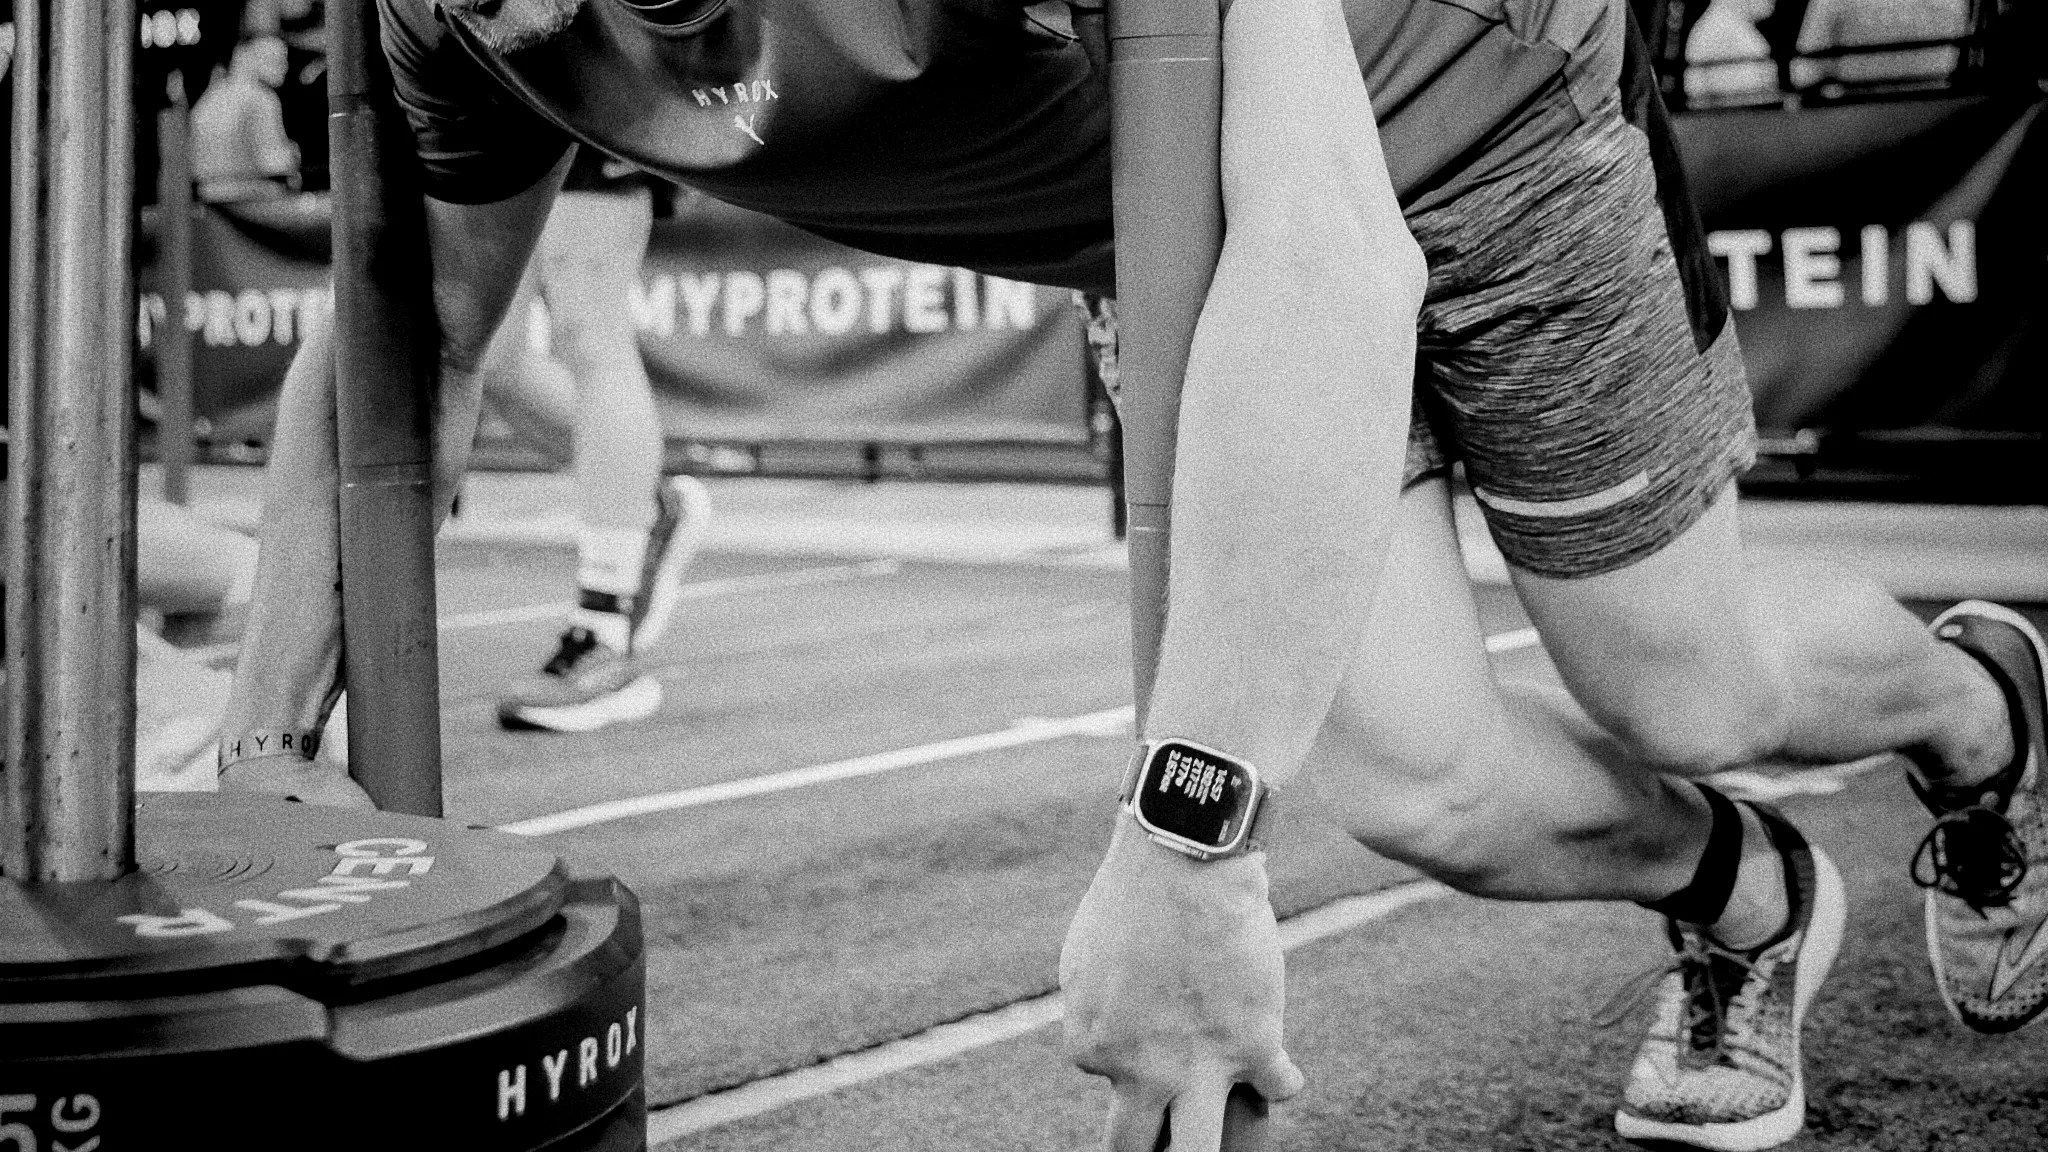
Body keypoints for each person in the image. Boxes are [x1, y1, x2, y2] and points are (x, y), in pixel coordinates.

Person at [213, 0, 2047, 1149]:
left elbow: (1328, 259)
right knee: (1416, 788)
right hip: (1176, 218)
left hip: (1474, 101)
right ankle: (1744, 895)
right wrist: (260, 752)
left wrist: (1180, 844)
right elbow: (413, 334)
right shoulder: (455, 22)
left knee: (1690, 694)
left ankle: (1984, 714)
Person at [474, 146, 712, 733]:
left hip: (581, 79)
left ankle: (605, 631)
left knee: (589, 326)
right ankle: (645, 506)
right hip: (492, 85)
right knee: (487, 354)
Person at [188, 34, 299, 202]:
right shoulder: (261, 98)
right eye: (277, 59)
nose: (285, 66)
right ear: (247, 56)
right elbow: (273, 163)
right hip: (248, 200)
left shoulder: (211, 96)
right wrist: (292, 155)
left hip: (208, 199)